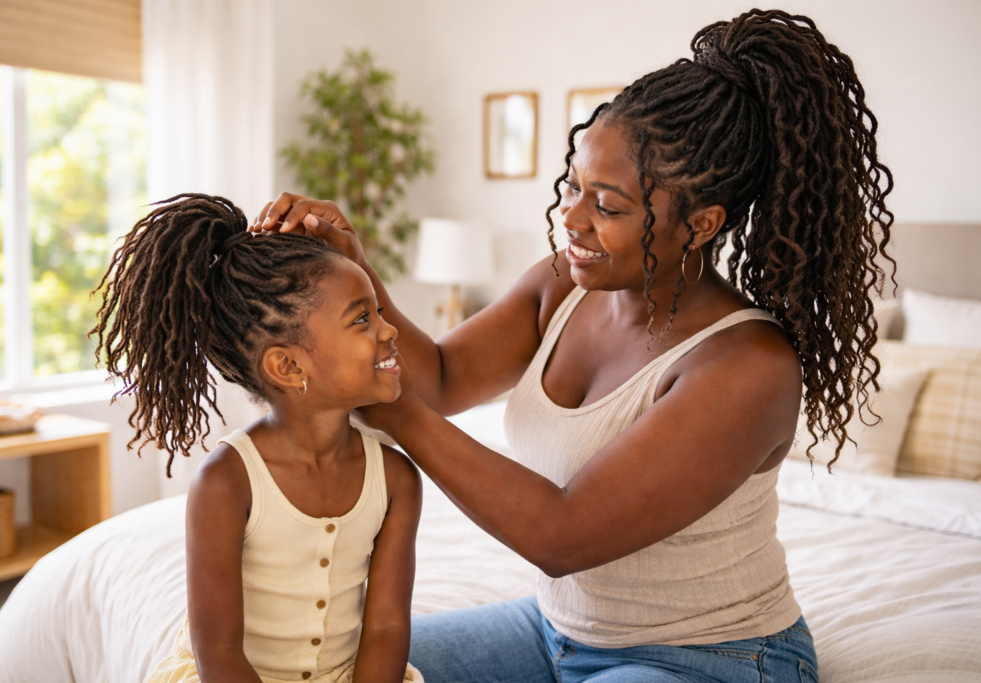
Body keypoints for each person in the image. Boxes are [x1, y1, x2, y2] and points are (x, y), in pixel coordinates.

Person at [254, 9, 893, 682]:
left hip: (712, 656)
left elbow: (563, 535)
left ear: (701, 224)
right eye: (573, 185)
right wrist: (357, 267)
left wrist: (397, 415)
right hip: (554, 632)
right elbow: (441, 376)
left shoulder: (746, 366)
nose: (572, 217)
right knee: (326, 663)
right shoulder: (563, 285)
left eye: (609, 207)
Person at [92, 194, 423, 683]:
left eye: (378, 311)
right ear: (288, 366)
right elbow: (218, 649)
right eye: (362, 318)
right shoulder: (227, 483)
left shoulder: (396, 479)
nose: (390, 328)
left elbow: (388, 629)